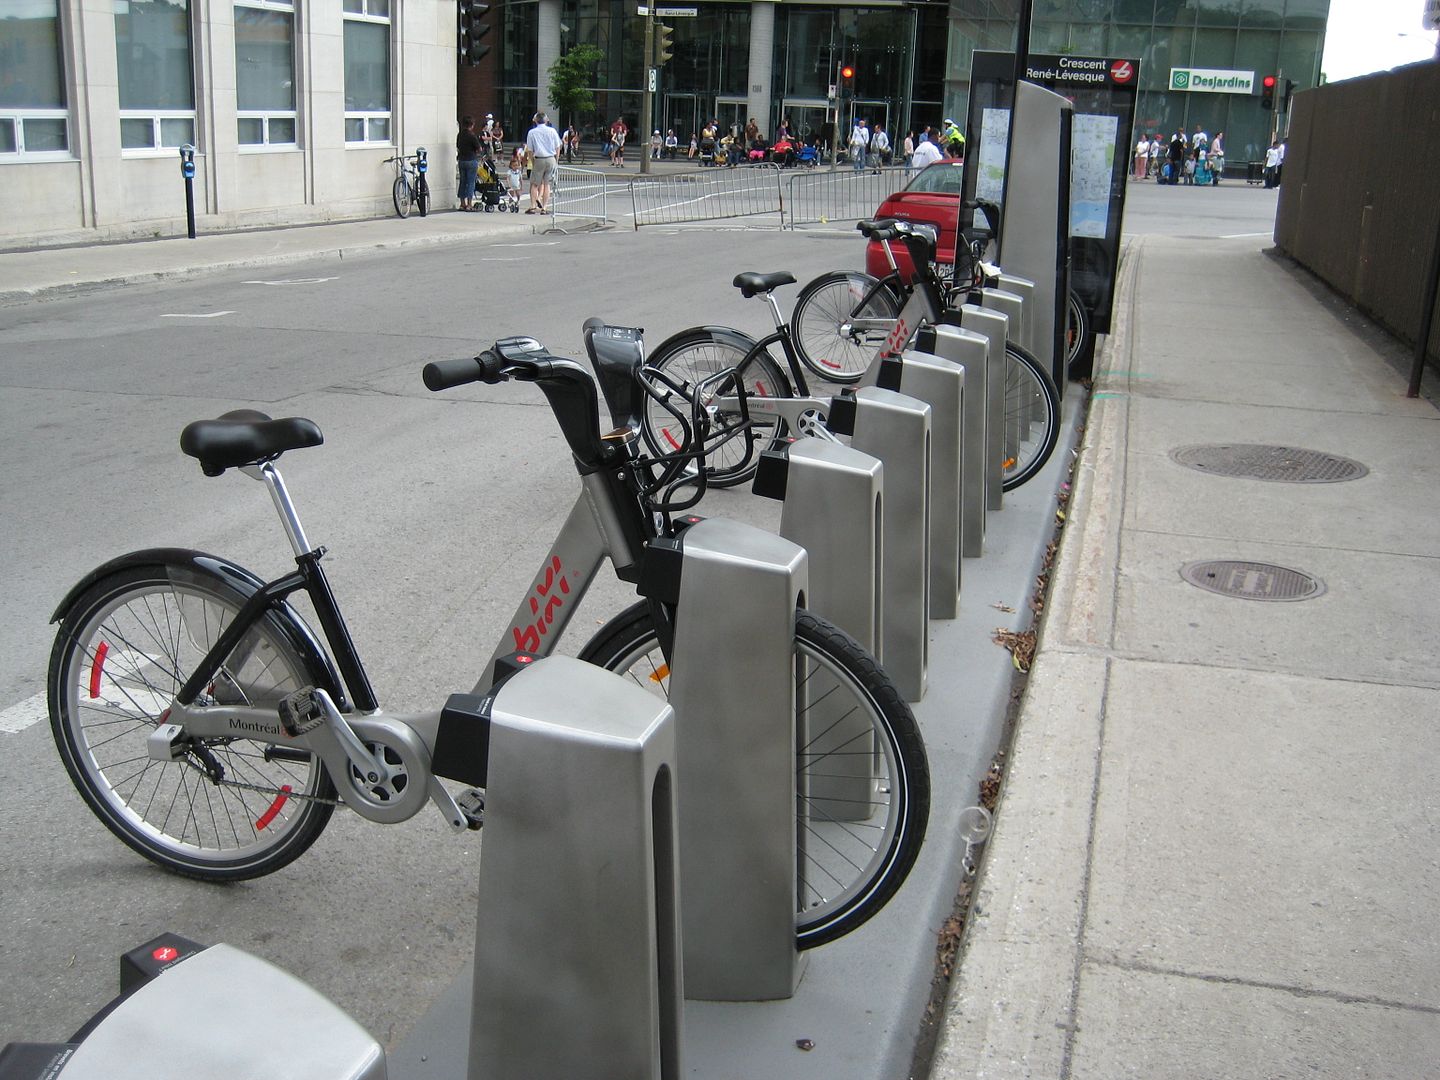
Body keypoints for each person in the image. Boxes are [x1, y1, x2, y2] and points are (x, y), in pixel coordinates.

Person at [525, 111, 561, 213]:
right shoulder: (552, 131)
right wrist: (556, 160)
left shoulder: (532, 132)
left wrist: (532, 160)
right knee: (547, 184)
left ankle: (533, 206)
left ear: (536, 120)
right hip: (551, 158)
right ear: (546, 120)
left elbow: (530, 150)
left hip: (539, 158)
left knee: (534, 184)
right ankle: (544, 207)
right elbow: (557, 147)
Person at [456, 115, 481, 211]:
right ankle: (469, 204)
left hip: (461, 160)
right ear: (472, 125)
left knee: (463, 181)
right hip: (471, 160)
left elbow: (458, 146)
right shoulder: (472, 136)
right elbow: (479, 149)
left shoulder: (460, 135)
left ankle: (462, 203)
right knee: (471, 182)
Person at [506, 145, 525, 210]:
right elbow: (508, 178)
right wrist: (509, 185)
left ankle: (518, 201)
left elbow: (520, 179)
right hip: (512, 185)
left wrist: (522, 186)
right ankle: (510, 203)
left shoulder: (518, 172)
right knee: (511, 195)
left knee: (518, 194)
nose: (515, 167)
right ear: (511, 166)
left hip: (517, 186)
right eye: (514, 165)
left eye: (516, 165)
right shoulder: (510, 172)